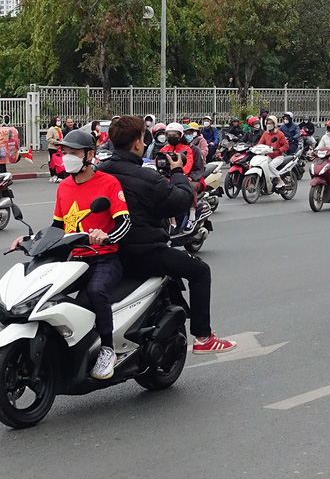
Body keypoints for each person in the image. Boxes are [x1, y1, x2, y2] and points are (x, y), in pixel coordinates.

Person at [99, 116, 236, 355]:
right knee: (200, 271)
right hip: (144, 252)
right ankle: (203, 337)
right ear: (137, 143)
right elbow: (179, 202)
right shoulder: (146, 177)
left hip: (107, 252)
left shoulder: (101, 173)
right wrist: (177, 172)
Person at [10, 129, 132, 379]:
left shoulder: (108, 183)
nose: (67, 157)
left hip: (104, 258)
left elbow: (125, 223)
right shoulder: (64, 186)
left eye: (73, 152)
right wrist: (31, 240)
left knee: (96, 292)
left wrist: (106, 236)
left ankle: (108, 349)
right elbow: (57, 228)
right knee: (41, 294)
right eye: (65, 152)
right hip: (73, 260)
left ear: (89, 154)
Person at [258, 115, 289, 191]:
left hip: (278, 156)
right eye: (267, 123)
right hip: (268, 155)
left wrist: (279, 150)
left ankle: (280, 181)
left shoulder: (280, 134)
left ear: (274, 124)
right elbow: (260, 143)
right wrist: (254, 148)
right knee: (261, 163)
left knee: (271, 166)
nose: (269, 125)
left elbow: (286, 145)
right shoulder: (265, 134)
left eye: (271, 123)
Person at [45, 115, 63, 182]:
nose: (59, 122)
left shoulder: (59, 129)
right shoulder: (51, 129)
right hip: (53, 147)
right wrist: (56, 141)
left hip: (59, 148)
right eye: (57, 121)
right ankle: (53, 175)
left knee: (58, 162)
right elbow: (48, 138)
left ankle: (58, 174)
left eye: (59, 120)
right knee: (53, 162)